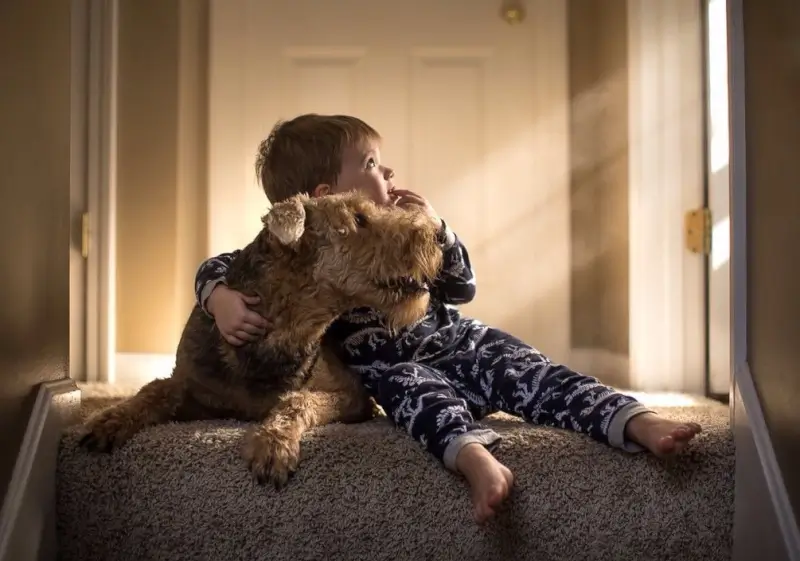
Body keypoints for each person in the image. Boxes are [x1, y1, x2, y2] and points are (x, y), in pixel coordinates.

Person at [194, 114, 702, 524]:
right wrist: (219, 297)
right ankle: (474, 460)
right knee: (419, 403)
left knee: (537, 373)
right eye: (372, 163)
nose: (388, 174)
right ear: (326, 197)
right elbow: (232, 264)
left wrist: (440, 230)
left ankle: (635, 421)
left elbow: (461, 287)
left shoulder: (407, 232)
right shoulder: (303, 244)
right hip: (392, 368)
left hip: (461, 341)